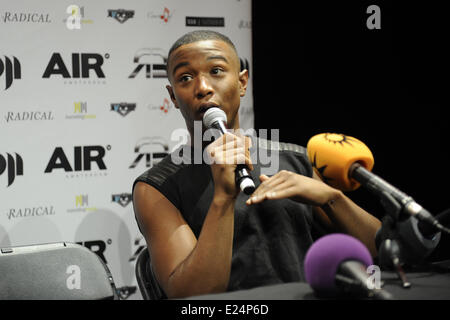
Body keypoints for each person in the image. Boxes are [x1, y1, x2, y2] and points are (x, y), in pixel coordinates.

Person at [132, 30, 381, 299]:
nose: (202, 87)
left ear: (242, 82)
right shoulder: (156, 187)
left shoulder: (293, 159)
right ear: (172, 96)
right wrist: (222, 198)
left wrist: (332, 198)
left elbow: (382, 254)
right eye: (185, 78)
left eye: (216, 70)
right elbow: (193, 296)